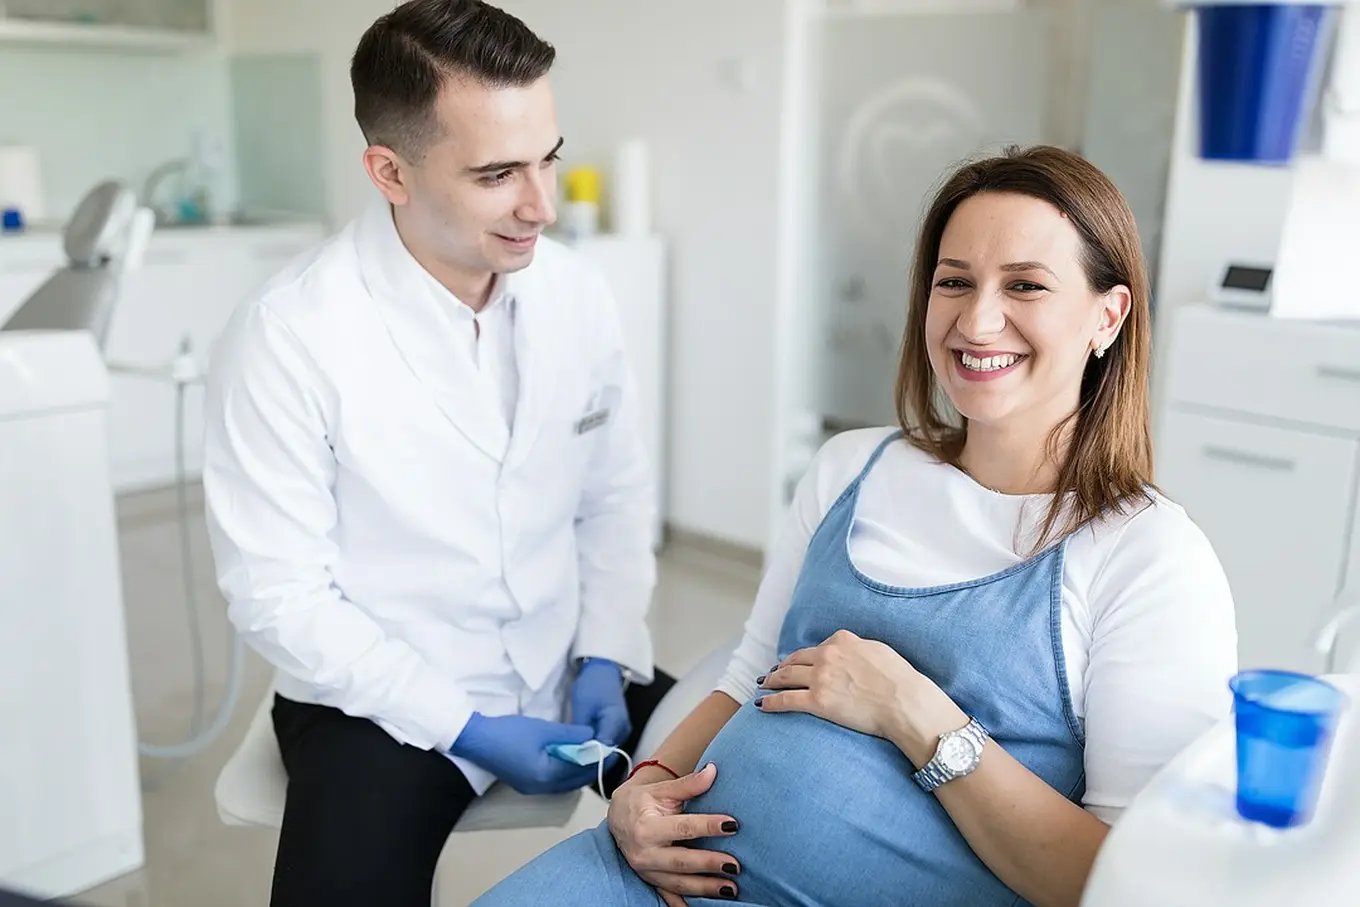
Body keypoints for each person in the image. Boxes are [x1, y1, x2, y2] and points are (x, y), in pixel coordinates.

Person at [467, 145, 1239, 907]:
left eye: (1026, 285)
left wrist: (919, 713)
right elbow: (744, 681)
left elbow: (1133, 883)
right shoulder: (850, 467)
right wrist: (645, 788)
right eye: (954, 282)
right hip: (647, 876)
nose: (979, 318)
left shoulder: (1150, 558)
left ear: (1109, 314)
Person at [200, 2, 676, 905]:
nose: (540, 204)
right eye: (499, 173)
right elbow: (277, 593)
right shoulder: (288, 333)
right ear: (391, 171)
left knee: (770, 794)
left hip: (567, 658)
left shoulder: (576, 292)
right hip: (379, 693)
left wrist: (607, 651)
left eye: (549, 158)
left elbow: (613, 496)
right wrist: (466, 725)